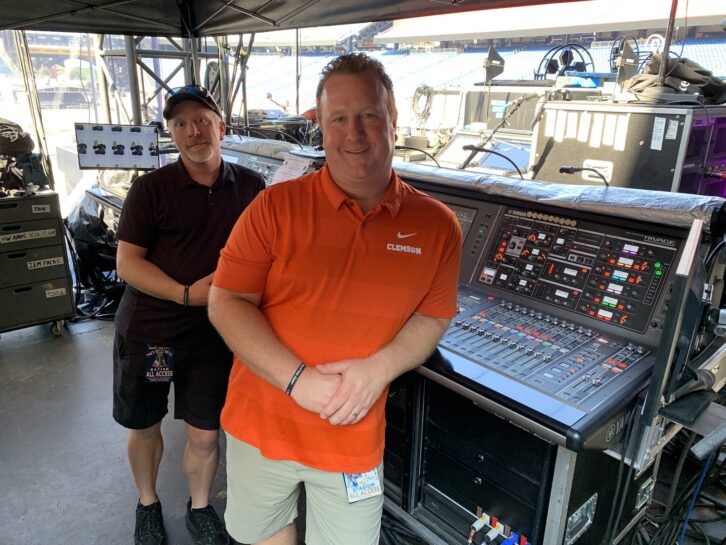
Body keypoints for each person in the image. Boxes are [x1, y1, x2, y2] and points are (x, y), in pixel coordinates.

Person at [208, 53, 462, 545]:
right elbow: (227, 301)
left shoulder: (437, 226)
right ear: (320, 128)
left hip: (354, 440)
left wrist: (380, 368)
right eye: (338, 119)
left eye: (369, 114)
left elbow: (433, 316)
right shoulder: (274, 208)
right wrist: (297, 381)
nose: (355, 133)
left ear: (393, 119)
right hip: (260, 424)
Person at [112, 84, 265, 545]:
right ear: (172, 135)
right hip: (152, 333)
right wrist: (185, 294)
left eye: (201, 120)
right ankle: (147, 503)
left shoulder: (253, 187)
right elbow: (128, 263)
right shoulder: (150, 190)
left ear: (221, 126)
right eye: (181, 124)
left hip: (215, 337)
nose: (193, 131)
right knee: (145, 425)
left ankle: (200, 507)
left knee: (205, 433)